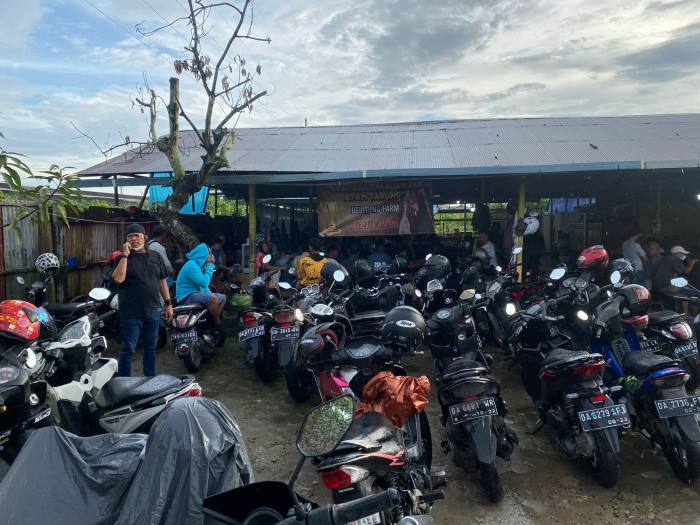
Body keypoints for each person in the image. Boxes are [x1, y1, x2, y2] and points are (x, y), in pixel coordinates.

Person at [111, 223, 174, 377]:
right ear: (126, 240)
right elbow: (118, 279)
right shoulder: (121, 258)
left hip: (153, 309)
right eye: (130, 236)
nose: (134, 239)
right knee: (128, 349)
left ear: (144, 237)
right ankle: (124, 381)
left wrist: (168, 304)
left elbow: (162, 281)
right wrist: (125, 255)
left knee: (150, 347)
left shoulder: (156, 256)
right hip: (130, 312)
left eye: (137, 235)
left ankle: (149, 378)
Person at [176, 243, 227, 326]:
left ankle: (212, 320)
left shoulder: (200, 266)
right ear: (203, 254)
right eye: (209, 253)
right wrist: (210, 265)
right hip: (186, 296)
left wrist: (208, 293)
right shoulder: (192, 265)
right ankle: (215, 322)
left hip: (196, 293)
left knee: (223, 298)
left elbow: (205, 285)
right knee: (213, 298)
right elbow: (204, 283)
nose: (211, 255)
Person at [653, 245, 699, 314]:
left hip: (659, 286)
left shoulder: (666, 258)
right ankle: (690, 314)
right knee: (694, 292)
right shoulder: (673, 259)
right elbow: (686, 271)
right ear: (678, 253)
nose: (683, 255)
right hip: (666, 285)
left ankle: (685, 315)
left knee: (684, 296)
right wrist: (693, 262)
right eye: (682, 253)